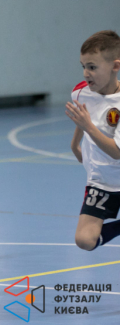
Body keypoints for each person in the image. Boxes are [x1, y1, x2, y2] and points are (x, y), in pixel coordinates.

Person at [66, 30, 120, 252]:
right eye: (83, 66)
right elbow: (83, 116)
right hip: (100, 181)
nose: (86, 73)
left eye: (92, 67)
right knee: (85, 241)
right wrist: (74, 145)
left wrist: (88, 126)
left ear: (115, 66)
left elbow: (117, 152)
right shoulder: (81, 92)